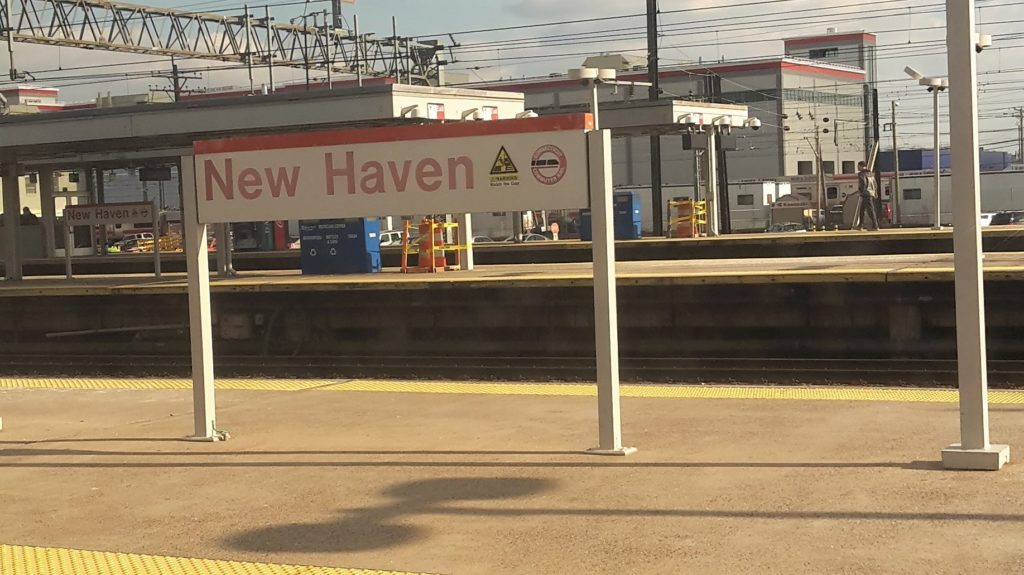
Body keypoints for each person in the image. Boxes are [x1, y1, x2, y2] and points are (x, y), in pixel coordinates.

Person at [856, 161, 880, 231]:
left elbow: (863, 183)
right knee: (862, 210)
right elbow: (875, 183)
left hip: (866, 194)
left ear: (861, 166)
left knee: (870, 210)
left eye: (858, 166)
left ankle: (875, 226)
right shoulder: (870, 173)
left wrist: (861, 191)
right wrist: (875, 192)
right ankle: (860, 225)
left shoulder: (861, 174)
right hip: (871, 193)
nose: (857, 167)